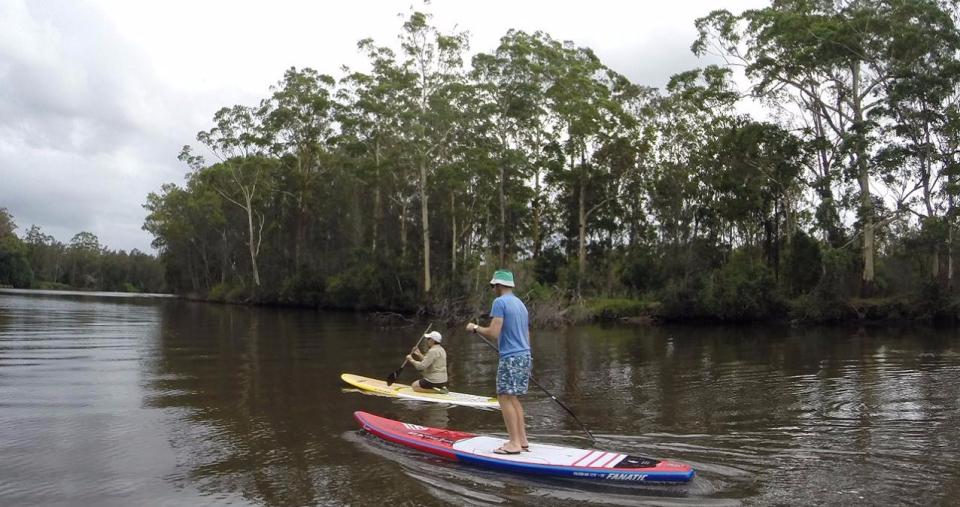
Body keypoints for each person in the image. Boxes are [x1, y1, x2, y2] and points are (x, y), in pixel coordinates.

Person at [466, 269, 531, 455]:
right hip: (524, 355)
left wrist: (475, 328)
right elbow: (526, 334)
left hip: (510, 357)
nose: (493, 288)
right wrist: (529, 357)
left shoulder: (500, 302)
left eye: (494, 285)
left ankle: (514, 444)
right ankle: (523, 440)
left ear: (499, 285)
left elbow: (494, 333)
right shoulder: (520, 304)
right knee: (513, 397)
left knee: (503, 397)